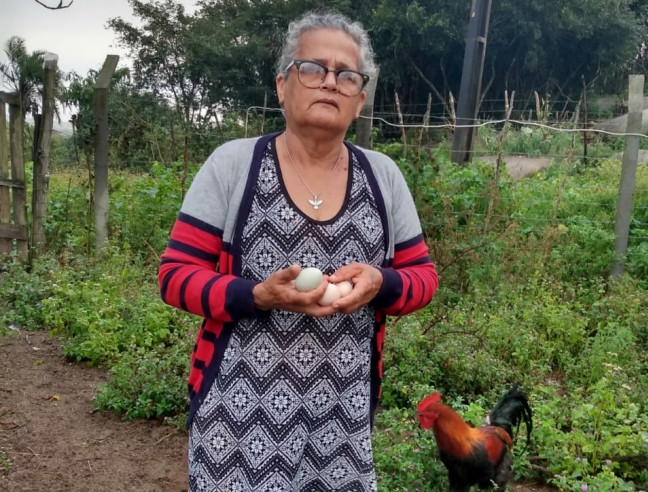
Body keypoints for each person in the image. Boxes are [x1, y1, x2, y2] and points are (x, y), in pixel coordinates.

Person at [158, 11, 438, 491]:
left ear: (360, 100)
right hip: (236, 419)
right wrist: (256, 295)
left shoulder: (383, 177)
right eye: (313, 69)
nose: (330, 83)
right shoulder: (234, 165)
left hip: (344, 420)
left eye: (346, 75)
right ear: (283, 85)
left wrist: (381, 283)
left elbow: (423, 277)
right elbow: (175, 275)